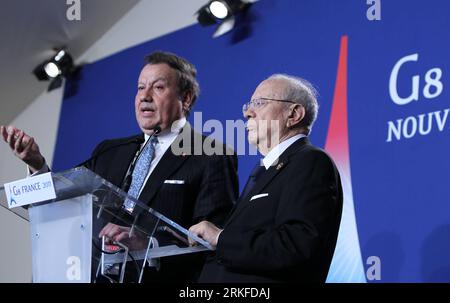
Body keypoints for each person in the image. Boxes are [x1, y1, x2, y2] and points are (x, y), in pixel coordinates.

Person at [1, 51, 238, 282]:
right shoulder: (110, 151)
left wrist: (149, 245)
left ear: (185, 98)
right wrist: (37, 165)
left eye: (158, 87)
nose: (144, 96)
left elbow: (212, 245)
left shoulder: (211, 156)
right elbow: (63, 199)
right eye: (140, 87)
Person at [189, 74, 343, 283]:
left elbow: (296, 244)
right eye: (249, 105)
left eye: (259, 103)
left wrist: (220, 238)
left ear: (294, 114)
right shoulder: (265, 170)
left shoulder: (311, 162)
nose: (247, 113)